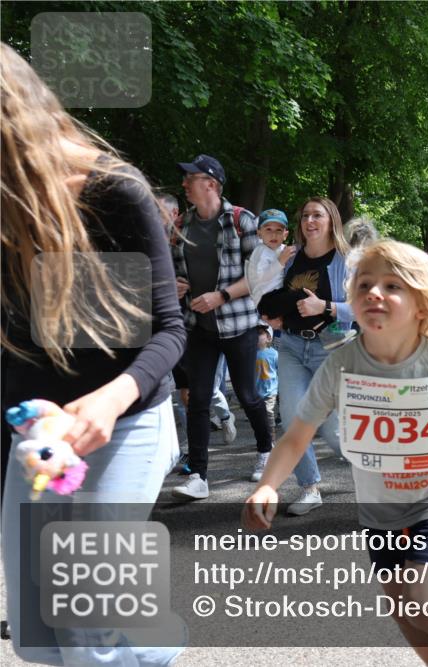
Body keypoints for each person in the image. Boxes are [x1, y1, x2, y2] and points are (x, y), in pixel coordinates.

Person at [0, 43, 186, 665]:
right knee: (37, 640)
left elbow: (168, 330)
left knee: (91, 644)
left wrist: (110, 400)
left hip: (125, 421)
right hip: (38, 438)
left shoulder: (114, 193)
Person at [244, 239, 428, 667]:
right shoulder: (341, 364)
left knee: (420, 599)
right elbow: (298, 433)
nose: (374, 293)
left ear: (421, 306)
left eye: (392, 286)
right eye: (363, 285)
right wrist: (268, 485)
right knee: (402, 611)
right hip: (378, 510)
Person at [171, 153, 273, 497]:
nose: (185, 183)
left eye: (192, 178)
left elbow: (261, 274)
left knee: (248, 395)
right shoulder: (182, 226)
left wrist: (222, 296)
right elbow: (175, 272)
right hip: (199, 326)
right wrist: (177, 284)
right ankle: (198, 476)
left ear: (212, 184)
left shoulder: (243, 221)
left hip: (238, 324)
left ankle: (266, 453)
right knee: (197, 399)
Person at [257, 197, 354, 516]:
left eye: (317, 215)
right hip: (292, 346)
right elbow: (266, 290)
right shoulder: (291, 256)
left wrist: (324, 307)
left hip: (332, 347)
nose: (310, 221)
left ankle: (379, 470)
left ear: (331, 221)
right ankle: (310, 488)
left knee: (332, 428)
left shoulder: (346, 260)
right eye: (305, 216)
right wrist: (271, 316)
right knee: (293, 418)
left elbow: (361, 309)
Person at [245, 208, 295, 306]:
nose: (274, 234)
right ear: (259, 233)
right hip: (264, 298)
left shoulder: (282, 249)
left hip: (277, 294)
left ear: (285, 235)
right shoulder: (260, 251)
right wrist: (280, 262)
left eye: (279, 230)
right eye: (268, 229)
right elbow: (261, 277)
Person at [254, 323, 279, 481]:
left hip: (270, 391)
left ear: (268, 337)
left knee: (269, 414)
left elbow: (280, 370)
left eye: (261, 334)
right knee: (259, 417)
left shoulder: (274, 354)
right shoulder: (250, 354)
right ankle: (264, 439)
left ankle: (272, 441)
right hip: (256, 392)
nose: (257, 337)